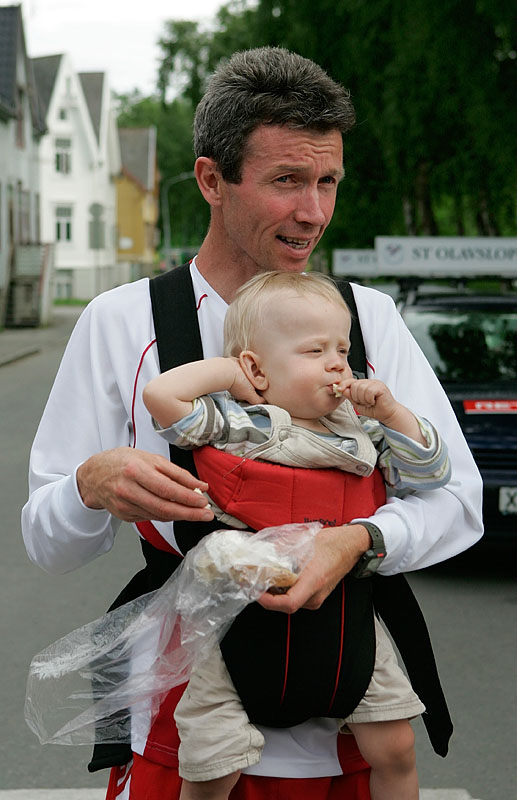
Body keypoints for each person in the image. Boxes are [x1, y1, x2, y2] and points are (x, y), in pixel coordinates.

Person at [21, 46, 483, 800]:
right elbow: (47, 541)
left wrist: (358, 541)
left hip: (344, 716)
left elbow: (457, 499)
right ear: (211, 180)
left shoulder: (367, 319)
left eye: (327, 182)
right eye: (286, 181)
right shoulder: (121, 321)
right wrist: (89, 485)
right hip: (180, 735)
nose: (314, 212)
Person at [142, 269, 452, 800]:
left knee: (396, 745)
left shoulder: (363, 430)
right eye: (315, 350)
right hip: (236, 617)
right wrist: (229, 375)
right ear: (256, 368)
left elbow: (433, 474)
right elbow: (160, 396)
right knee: (212, 762)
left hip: (345, 609)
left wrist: (393, 413)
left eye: (343, 349)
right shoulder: (243, 424)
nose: (337, 363)